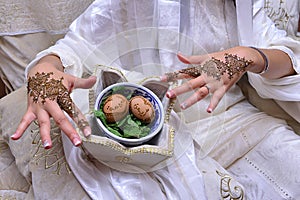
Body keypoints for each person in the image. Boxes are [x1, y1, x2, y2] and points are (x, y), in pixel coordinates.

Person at [1, 0, 300, 199]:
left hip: (230, 119)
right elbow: (74, 46)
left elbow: (283, 55)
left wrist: (249, 56)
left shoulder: (245, 5)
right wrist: (44, 70)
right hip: (151, 137)